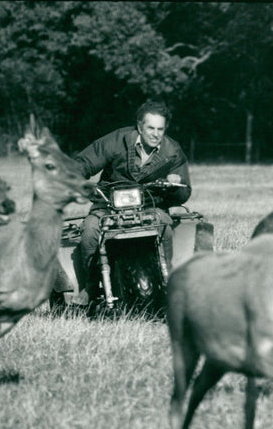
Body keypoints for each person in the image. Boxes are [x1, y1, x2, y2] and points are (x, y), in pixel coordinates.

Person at [74, 99, 192, 302]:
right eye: (151, 128)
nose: (156, 134)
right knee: (90, 229)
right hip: (108, 204)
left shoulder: (172, 151)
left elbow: (185, 191)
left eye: (160, 129)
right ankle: (91, 286)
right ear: (140, 126)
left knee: (164, 225)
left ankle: (169, 282)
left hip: (150, 204)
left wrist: (175, 184)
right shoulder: (117, 140)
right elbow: (84, 162)